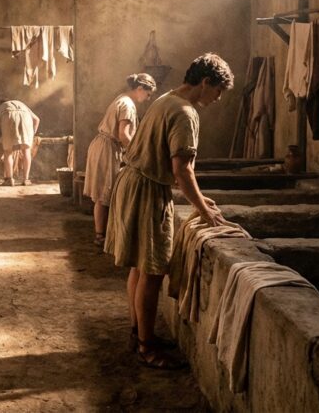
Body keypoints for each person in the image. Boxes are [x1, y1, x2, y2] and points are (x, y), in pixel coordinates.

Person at [105, 53, 233, 369]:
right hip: (147, 189)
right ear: (206, 82)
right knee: (152, 272)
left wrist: (200, 199)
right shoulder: (186, 112)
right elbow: (182, 170)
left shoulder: (166, 99)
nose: (218, 99)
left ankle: (138, 332)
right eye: (218, 91)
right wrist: (204, 209)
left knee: (139, 267)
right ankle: (147, 347)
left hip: (131, 180)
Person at [85, 73, 157, 246]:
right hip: (107, 148)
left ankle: (102, 234)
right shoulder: (128, 104)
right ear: (139, 89)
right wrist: (138, 153)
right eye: (148, 94)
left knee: (103, 194)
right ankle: (101, 236)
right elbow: (124, 134)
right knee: (105, 193)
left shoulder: (121, 99)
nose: (147, 99)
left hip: (102, 145)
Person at [0, 99, 41, 186]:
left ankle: (9, 179)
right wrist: (31, 135)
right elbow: (37, 120)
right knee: (26, 150)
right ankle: (26, 179)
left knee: (8, 151)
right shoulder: (21, 104)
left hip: (9, 117)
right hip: (26, 119)